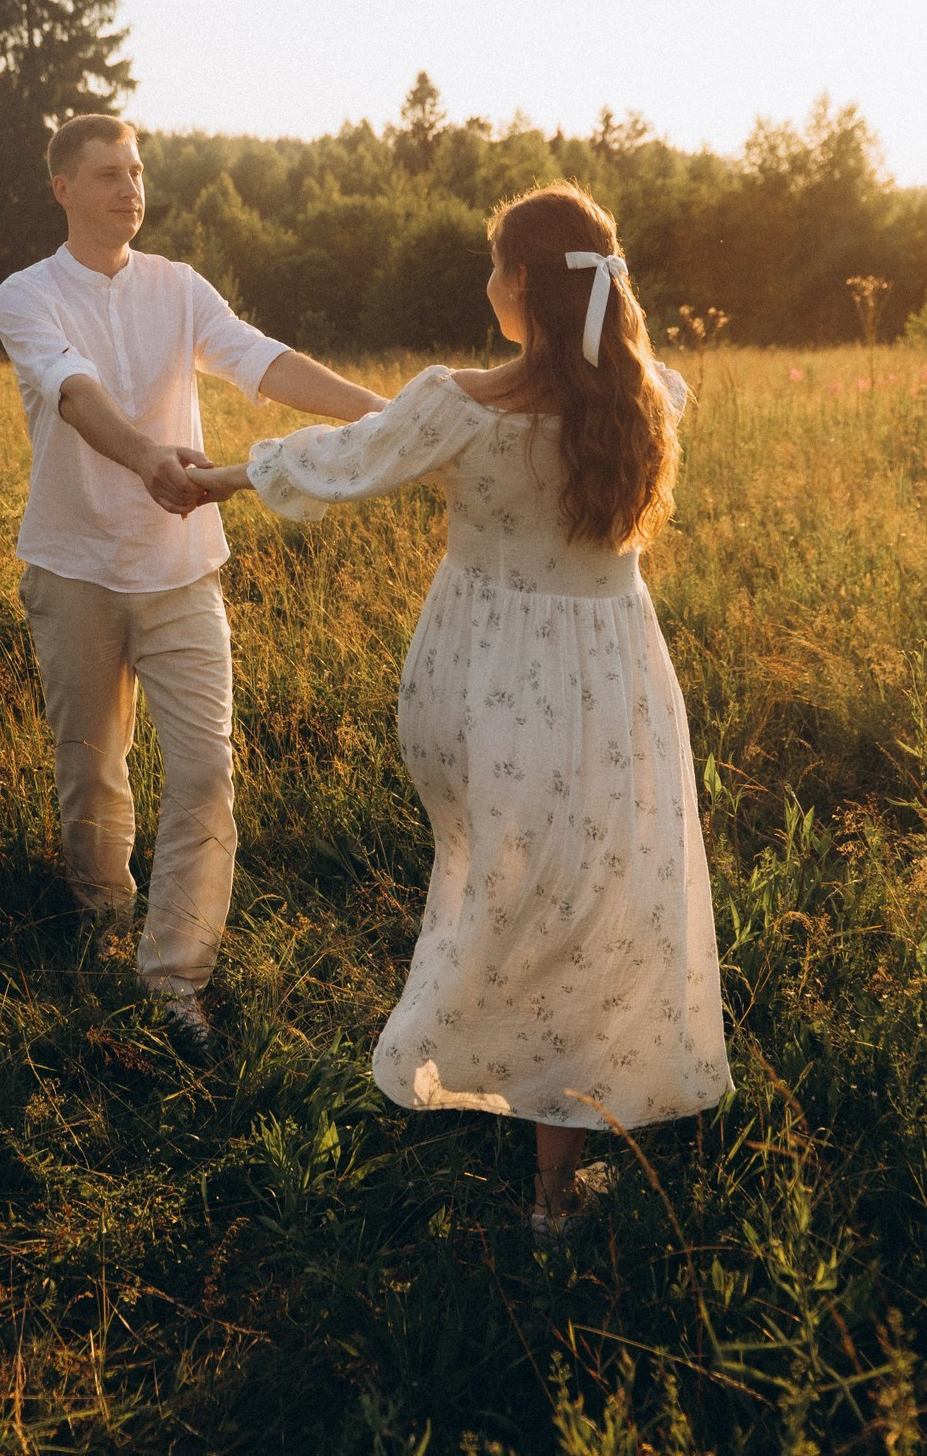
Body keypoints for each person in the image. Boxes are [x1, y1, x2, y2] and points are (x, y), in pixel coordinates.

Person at [189, 182, 733, 1237]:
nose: (487, 283)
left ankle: (500, 1090)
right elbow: (641, 368)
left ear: (521, 282)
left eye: (494, 266)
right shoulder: (650, 399)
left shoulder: (457, 405)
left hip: (489, 684)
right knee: (590, 898)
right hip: (614, 686)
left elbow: (338, 460)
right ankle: (553, 1172)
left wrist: (212, 479)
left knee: (504, 888)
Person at [0, 114, 384, 1055]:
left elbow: (263, 359)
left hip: (180, 571)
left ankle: (175, 979)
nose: (130, 189)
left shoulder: (179, 285)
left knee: (206, 770)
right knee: (91, 770)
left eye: (136, 172)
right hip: (75, 569)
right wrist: (149, 459)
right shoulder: (27, 295)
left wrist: (390, 414)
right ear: (63, 189)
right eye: (107, 175)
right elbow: (75, 393)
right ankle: (103, 924)